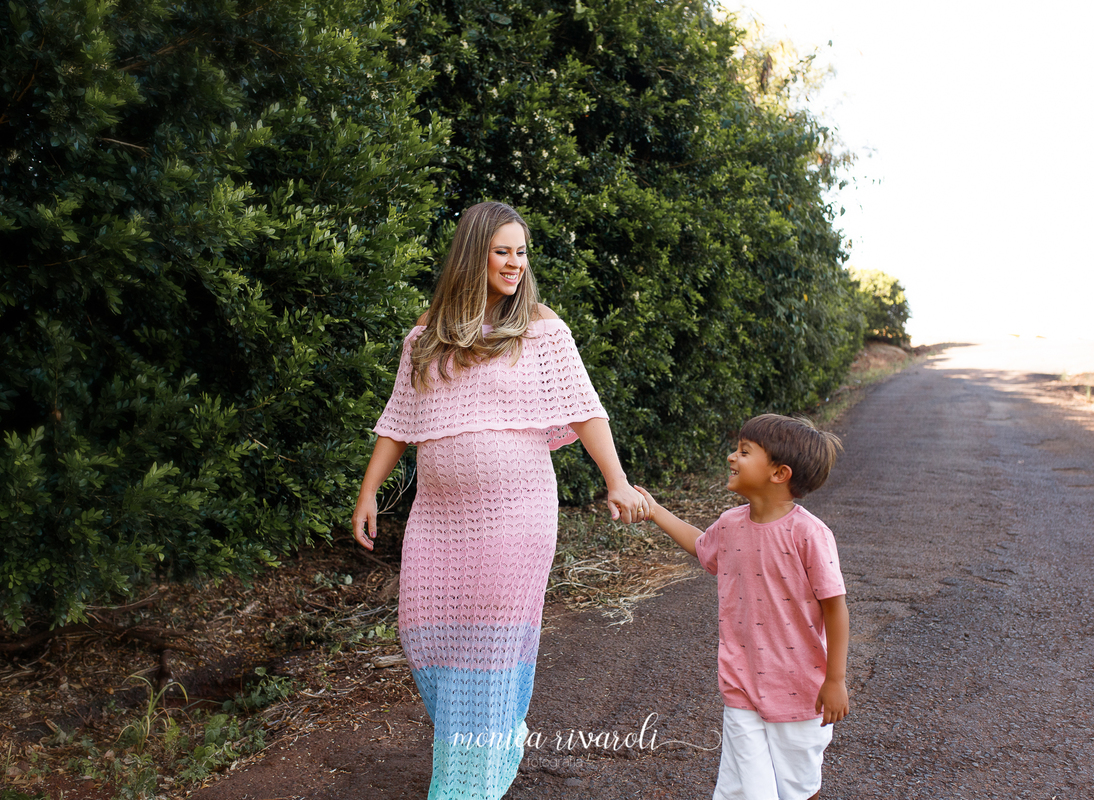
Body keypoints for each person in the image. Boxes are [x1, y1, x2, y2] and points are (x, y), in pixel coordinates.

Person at [351, 201, 647, 800]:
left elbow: (584, 408)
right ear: (473, 253)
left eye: (522, 252)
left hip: (517, 512)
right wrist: (369, 490)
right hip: (438, 516)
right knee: (424, 634)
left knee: (487, 645)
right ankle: (490, 741)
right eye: (502, 251)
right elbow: (399, 421)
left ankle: (466, 784)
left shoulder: (540, 327)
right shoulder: (428, 333)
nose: (515, 264)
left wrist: (615, 479)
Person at [635, 414, 850, 800]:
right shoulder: (730, 524)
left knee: (798, 788)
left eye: (744, 451)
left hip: (800, 689)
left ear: (779, 473)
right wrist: (655, 511)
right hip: (741, 682)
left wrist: (834, 679)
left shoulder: (809, 534)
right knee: (746, 790)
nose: (732, 457)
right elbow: (703, 548)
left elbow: (835, 608)